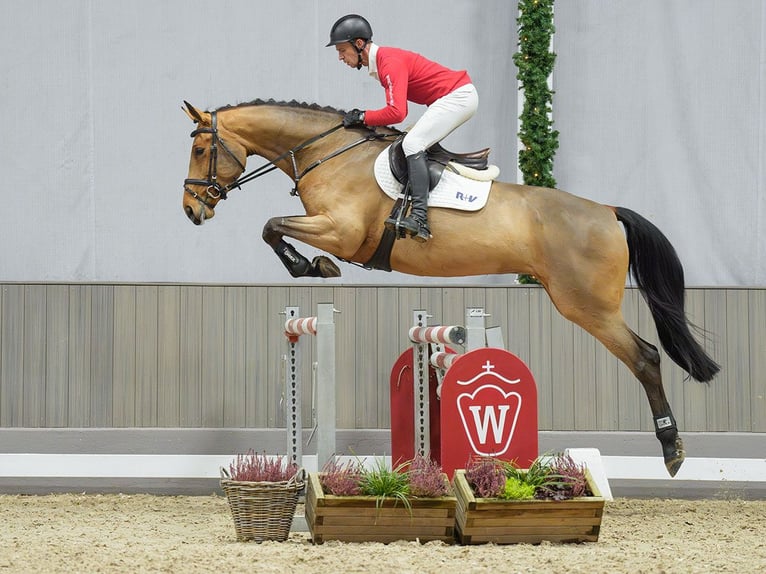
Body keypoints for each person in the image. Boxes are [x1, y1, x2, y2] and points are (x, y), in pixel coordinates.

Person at [326, 14, 479, 242]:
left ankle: (419, 218)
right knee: (407, 139)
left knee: (412, 143)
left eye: (342, 50)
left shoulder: (389, 62)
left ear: (359, 44)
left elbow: (397, 112)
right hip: (452, 97)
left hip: (458, 97)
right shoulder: (383, 63)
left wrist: (363, 116)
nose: (340, 57)